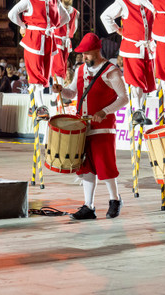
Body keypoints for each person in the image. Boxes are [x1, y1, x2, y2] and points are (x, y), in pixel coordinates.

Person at [53, 33, 128, 220]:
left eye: (86, 54)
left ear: (96, 51)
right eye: (82, 54)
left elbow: (124, 98)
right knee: (85, 167)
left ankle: (115, 199)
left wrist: (104, 111)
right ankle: (89, 205)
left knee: (105, 166)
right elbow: (73, 93)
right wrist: (62, 90)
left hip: (103, 127)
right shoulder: (80, 70)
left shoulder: (111, 71)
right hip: (82, 126)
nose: (83, 57)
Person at [8, 0, 70, 118]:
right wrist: (23, 25)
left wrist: (53, 27)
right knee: (36, 74)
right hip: (33, 40)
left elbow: (66, 17)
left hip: (49, 40)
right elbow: (12, 14)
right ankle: (41, 106)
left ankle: (34, 104)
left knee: (45, 74)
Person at [100, 0, 156, 125]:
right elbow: (105, 16)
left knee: (146, 82)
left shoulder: (151, 0)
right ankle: (137, 110)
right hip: (132, 47)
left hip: (148, 48)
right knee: (137, 80)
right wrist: (117, 30)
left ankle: (141, 112)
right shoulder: (123, 2)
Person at [50, 0, 80, 86]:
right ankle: (58, 94)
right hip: (57, 40)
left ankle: (56, 95)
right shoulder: (56, 9)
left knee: (63, 66)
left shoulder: (75, 12)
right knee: (59, 67)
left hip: (67, 42)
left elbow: (74, 28)